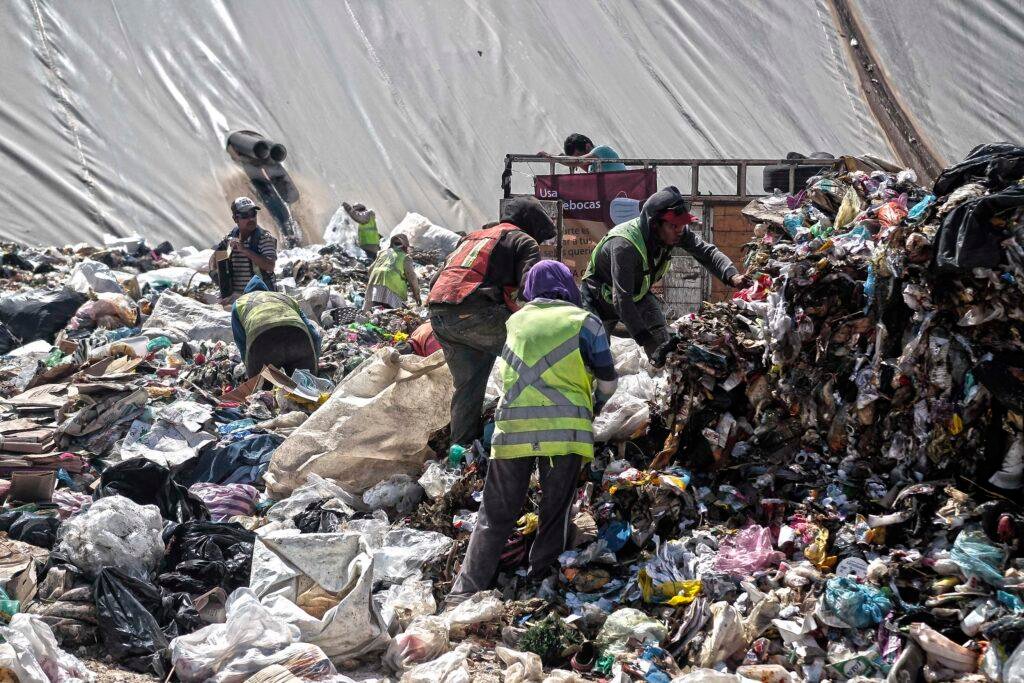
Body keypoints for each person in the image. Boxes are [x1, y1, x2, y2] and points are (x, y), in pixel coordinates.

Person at [448, 260, 618, 597]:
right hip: (565, 434)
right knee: (554, 511)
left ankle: (464, 591)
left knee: (494, 515)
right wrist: (593, 403)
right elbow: (609, 382)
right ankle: (541, 579)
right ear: (567, 286)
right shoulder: (586, 322)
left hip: (512, 431)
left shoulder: (514, 322)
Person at [427, 196, 556, 448]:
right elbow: (532, 289)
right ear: (533, 225)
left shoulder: (473, 237)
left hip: (441, 316)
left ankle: (462, 452)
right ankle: (535, 435)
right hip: (476, 313)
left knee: (468, 386)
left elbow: (437, 279)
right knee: (535, 359)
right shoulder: (524, 240)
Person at [582, 186, 751, 363]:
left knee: (662, 342)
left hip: (636, 295)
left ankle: (666, 377)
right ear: (654, 224)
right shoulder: (624, 246)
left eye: (682, 224)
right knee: (595, 355)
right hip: (600, 300)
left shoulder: (675, 233)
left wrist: (733, 276)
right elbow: (622, 299)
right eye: (674, 225)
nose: (680, 230)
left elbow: (706, 252)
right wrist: (645, 340)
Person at [231, 275, 322, 378]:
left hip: (262, 342)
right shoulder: (285, 298)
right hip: (299, 337)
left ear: (246, 293)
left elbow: (242, 343)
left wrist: (251, 369)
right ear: (267, 291)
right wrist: (315, 364)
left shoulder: (239, 303)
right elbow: (314, 334)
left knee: (265, 391)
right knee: (306, 386)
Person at [210, 197, 278, 303]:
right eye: (245, 215)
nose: (251, 219)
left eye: (253, 214)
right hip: (237, 298)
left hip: (262, 297)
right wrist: (217, 277)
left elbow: (270, 265)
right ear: (235, 219)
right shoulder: (230, 239)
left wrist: (245, 251)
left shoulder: (263, 238)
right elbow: (215, 258)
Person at [363, 234, 421, 311]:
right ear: (406, 246)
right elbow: (412, 278)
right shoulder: (405, 257)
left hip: (373, 285)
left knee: (371, 314)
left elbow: (370, 270)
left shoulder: (382, 253)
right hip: (390, 288)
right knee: (388, 314)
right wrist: (417, 296)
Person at [538, 133, 627, 173]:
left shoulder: (602, 150)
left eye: (578, 155)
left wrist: (551, 156)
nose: (577, 159)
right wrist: (565, 159)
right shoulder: (593, 165)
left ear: (587, 146)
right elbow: (578, 162)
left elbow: (578, 161)